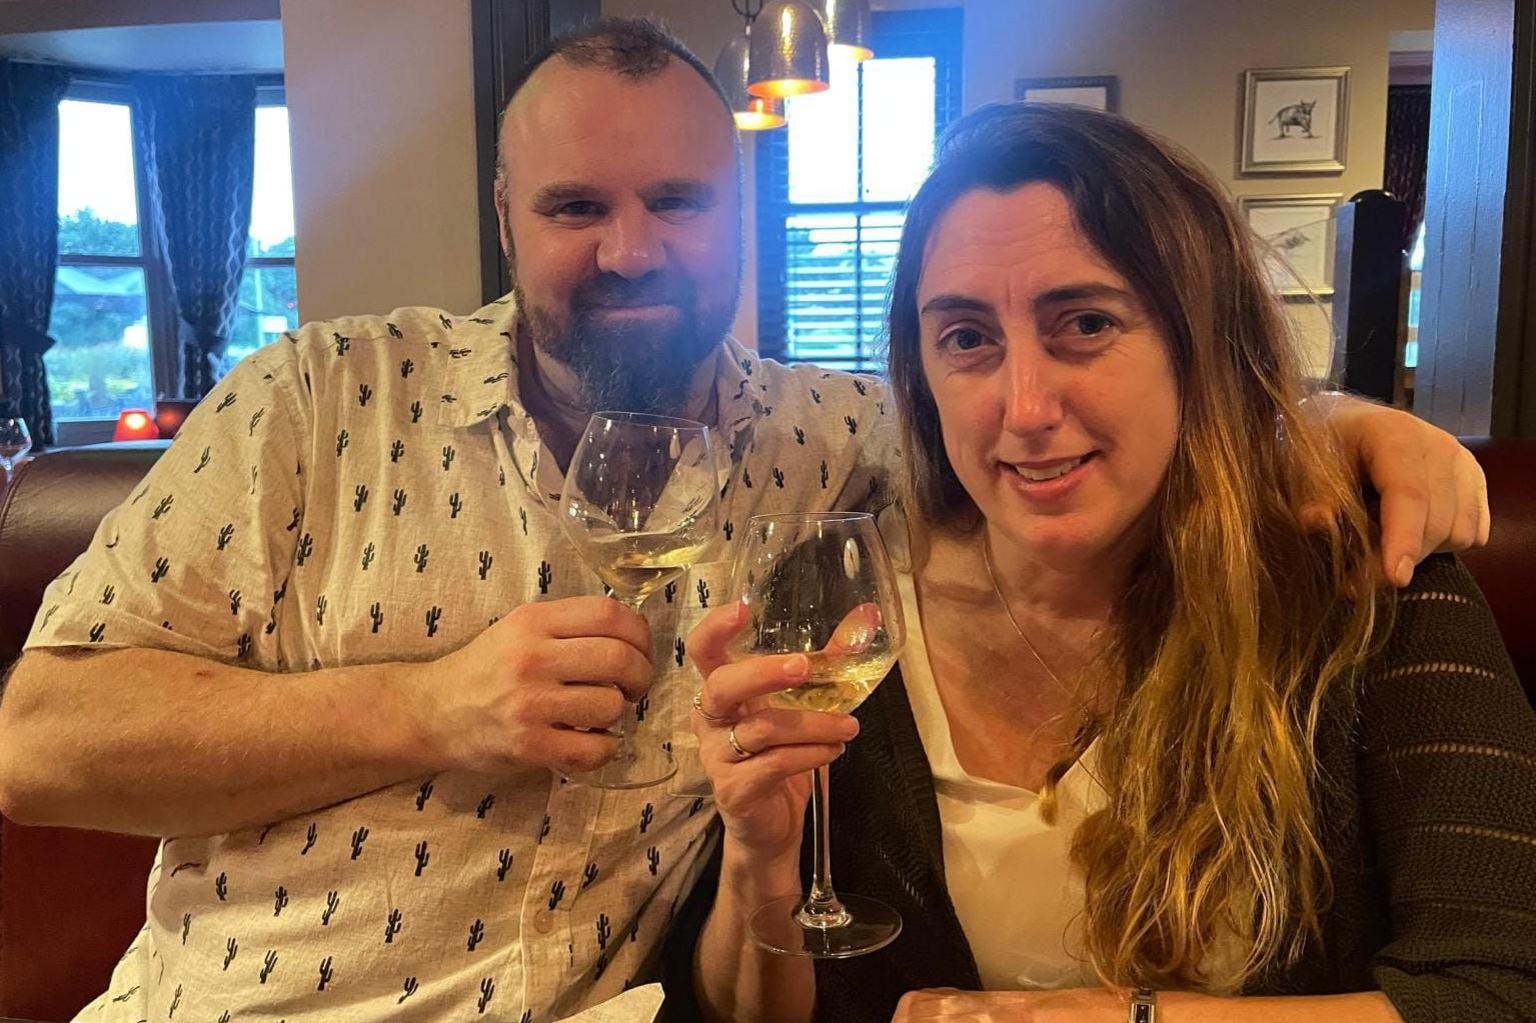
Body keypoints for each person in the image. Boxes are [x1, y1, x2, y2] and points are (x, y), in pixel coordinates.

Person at [0, 21, 1490, 1023]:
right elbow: (35, 745)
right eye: (576, 204)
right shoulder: (314, 399)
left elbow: (1046, 422)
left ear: (743, 212)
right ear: (507, 215)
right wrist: (426, 705)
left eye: (681, 200)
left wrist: (1336, 421)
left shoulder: (827, 446)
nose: (632, 247)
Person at [682, 103, 1535, 1023]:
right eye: (967, 337)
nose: (1026, 406)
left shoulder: (1368, 585)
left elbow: (1500, 991)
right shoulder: (836, 603)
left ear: (1198, 342)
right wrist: (759, 862)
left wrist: (1117, 1017)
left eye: (1084, 322)